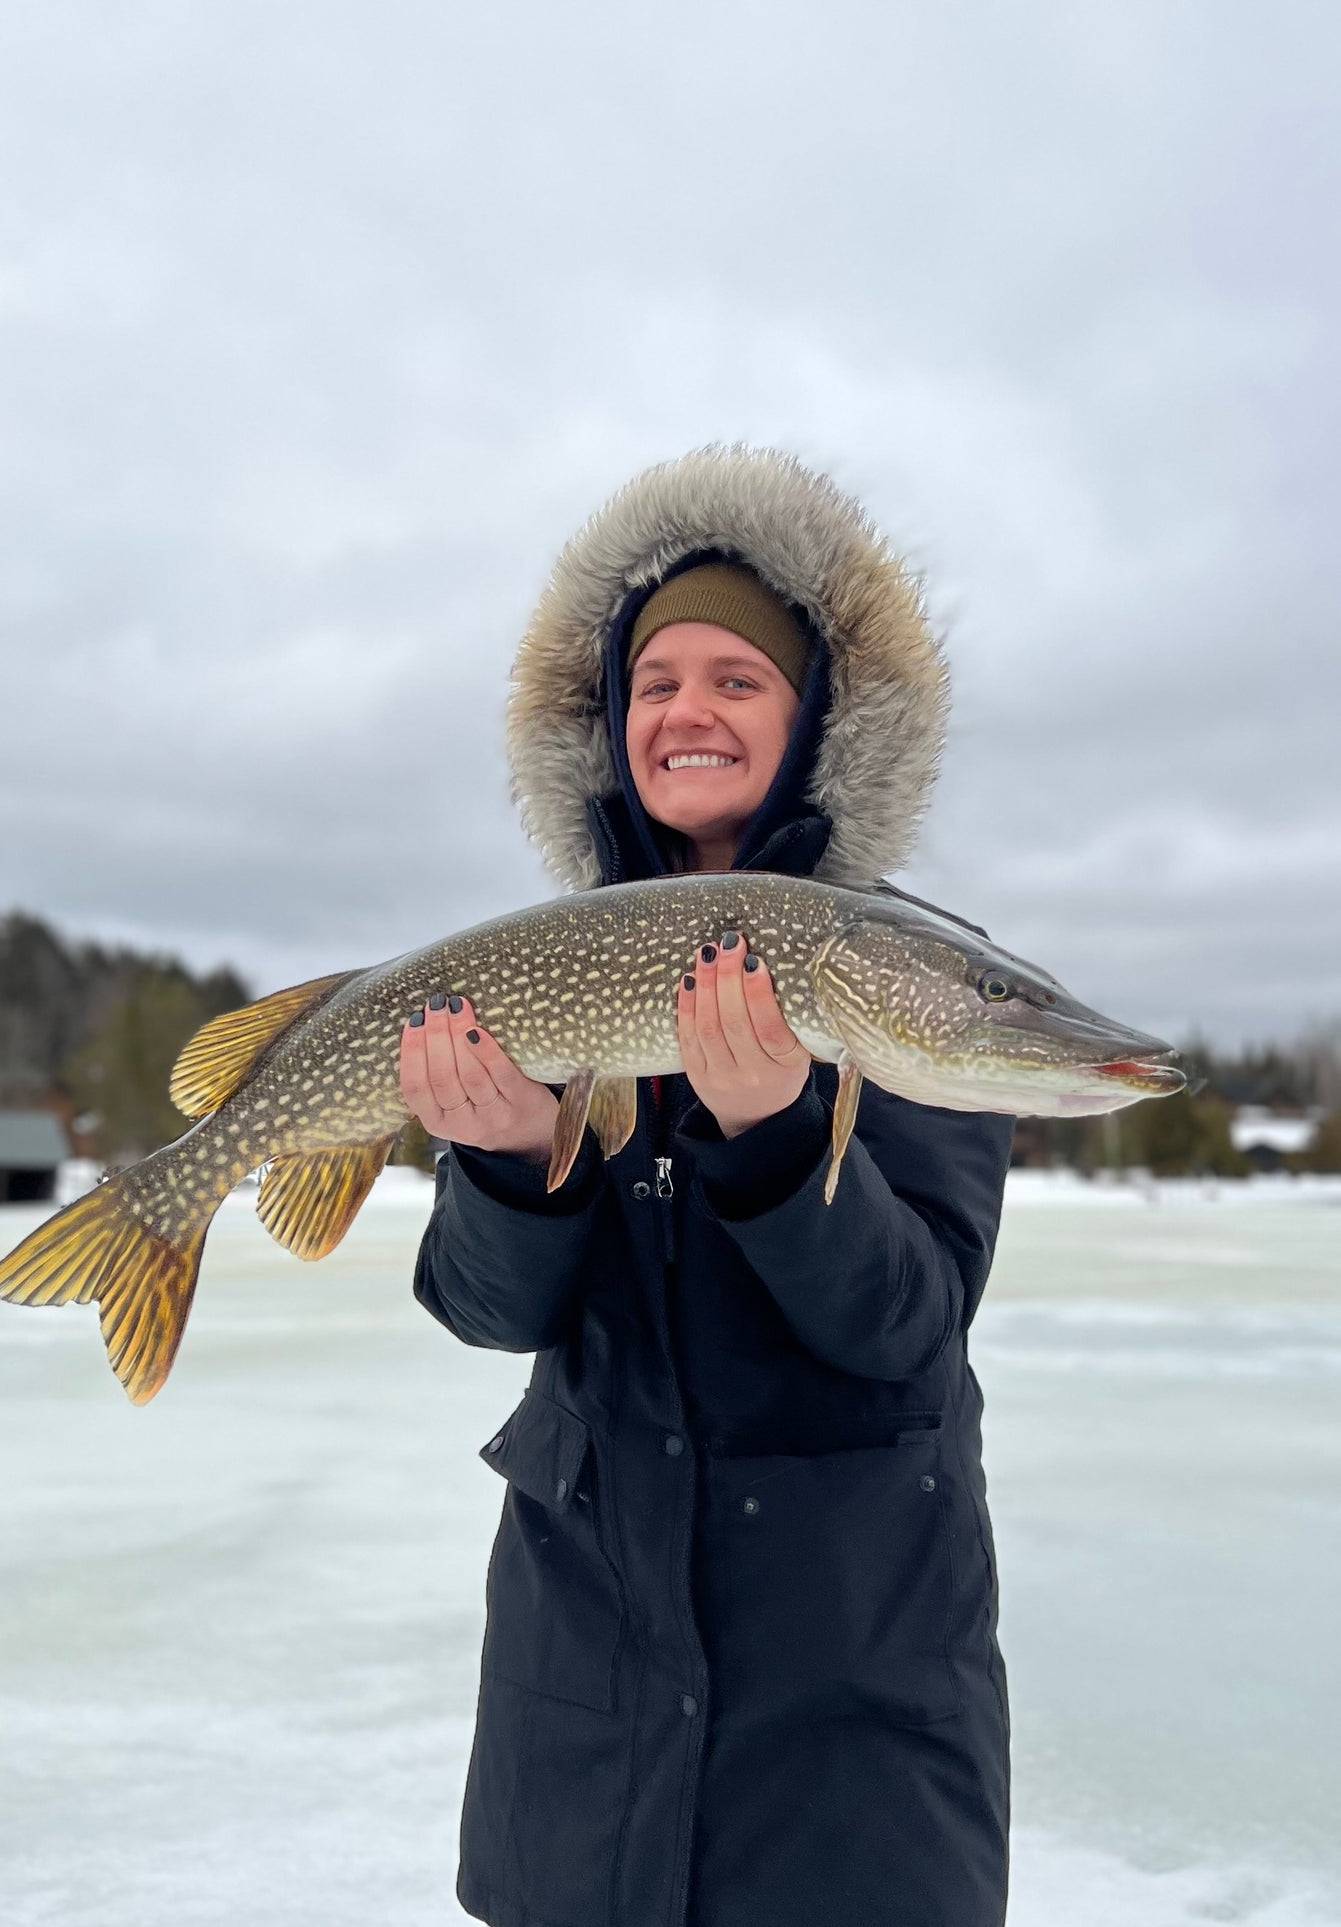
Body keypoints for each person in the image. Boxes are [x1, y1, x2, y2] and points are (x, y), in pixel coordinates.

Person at [402, 447, 1014, 1927]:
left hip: (845, 1739)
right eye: (654, 681)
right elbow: (486, 1312)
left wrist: (777, 1137)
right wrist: (504, 1163)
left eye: (737, 677)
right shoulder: (541, 974)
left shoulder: (899, 975)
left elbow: (900, 1328)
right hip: (585, 1722)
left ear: (815, 721)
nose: (688, 709)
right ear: (609, 728)